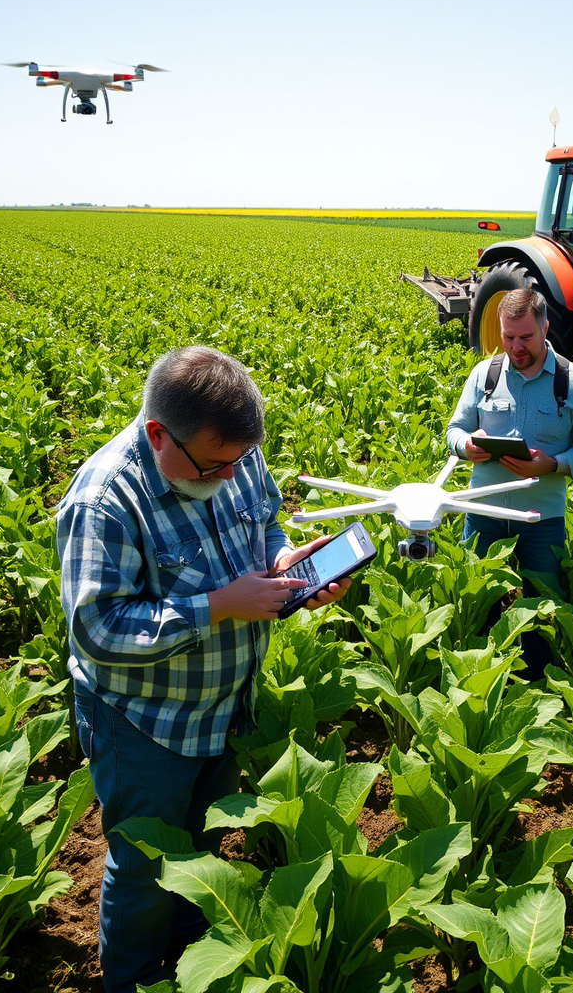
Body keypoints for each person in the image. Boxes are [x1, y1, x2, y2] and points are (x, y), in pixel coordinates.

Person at [56, 345, 351, 993]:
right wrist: (217, 606)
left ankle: (194, 966)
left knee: (200, 858)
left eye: (239, 462)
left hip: (225, 708)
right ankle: (132, 980)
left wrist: (282, 567)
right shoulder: (105, 500)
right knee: (144, 867)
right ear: (159, 434)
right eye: (215, 466)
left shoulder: (231, 451)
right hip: (143, 725)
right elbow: (97, 629)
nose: (230, 475)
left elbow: (265, 520)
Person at [446, 288, 573, 677]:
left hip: (541, 518)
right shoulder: (485, 375)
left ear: (545, 328)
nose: (515, 347)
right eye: (508, 337)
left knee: (540, 610)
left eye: (526, 337)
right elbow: (454, 429)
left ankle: (535, 683)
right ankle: (479, 678)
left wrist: (553, 463)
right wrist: (466, 446)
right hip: (483, 513)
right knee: (477, 603)